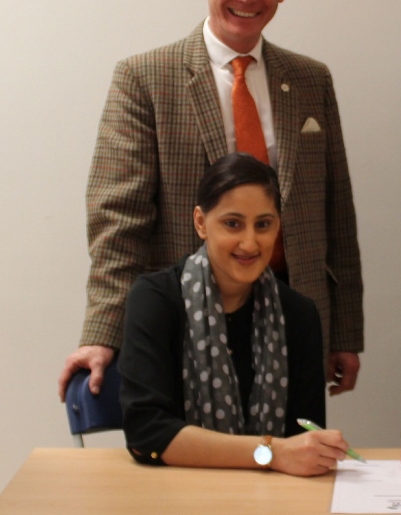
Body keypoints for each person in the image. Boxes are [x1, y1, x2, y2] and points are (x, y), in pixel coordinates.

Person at [58, 0, 363, 402]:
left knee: (289, 458)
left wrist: (344, 332)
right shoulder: (144, 79)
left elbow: (336, 214)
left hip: (292, 313)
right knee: (189, 463)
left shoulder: (310, 80)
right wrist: (103, 330)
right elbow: (118, 220)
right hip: (184, 314)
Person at [119, 152, 350, 474]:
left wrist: (310, 451)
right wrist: (270, 453)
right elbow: (146, 434)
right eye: (232, 224)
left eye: (264, 225)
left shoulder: (298, 314)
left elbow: (303, 436)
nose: (249, 242)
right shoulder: (155, 299)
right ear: (201, 222)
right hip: (175, 494)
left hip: (272, 497)